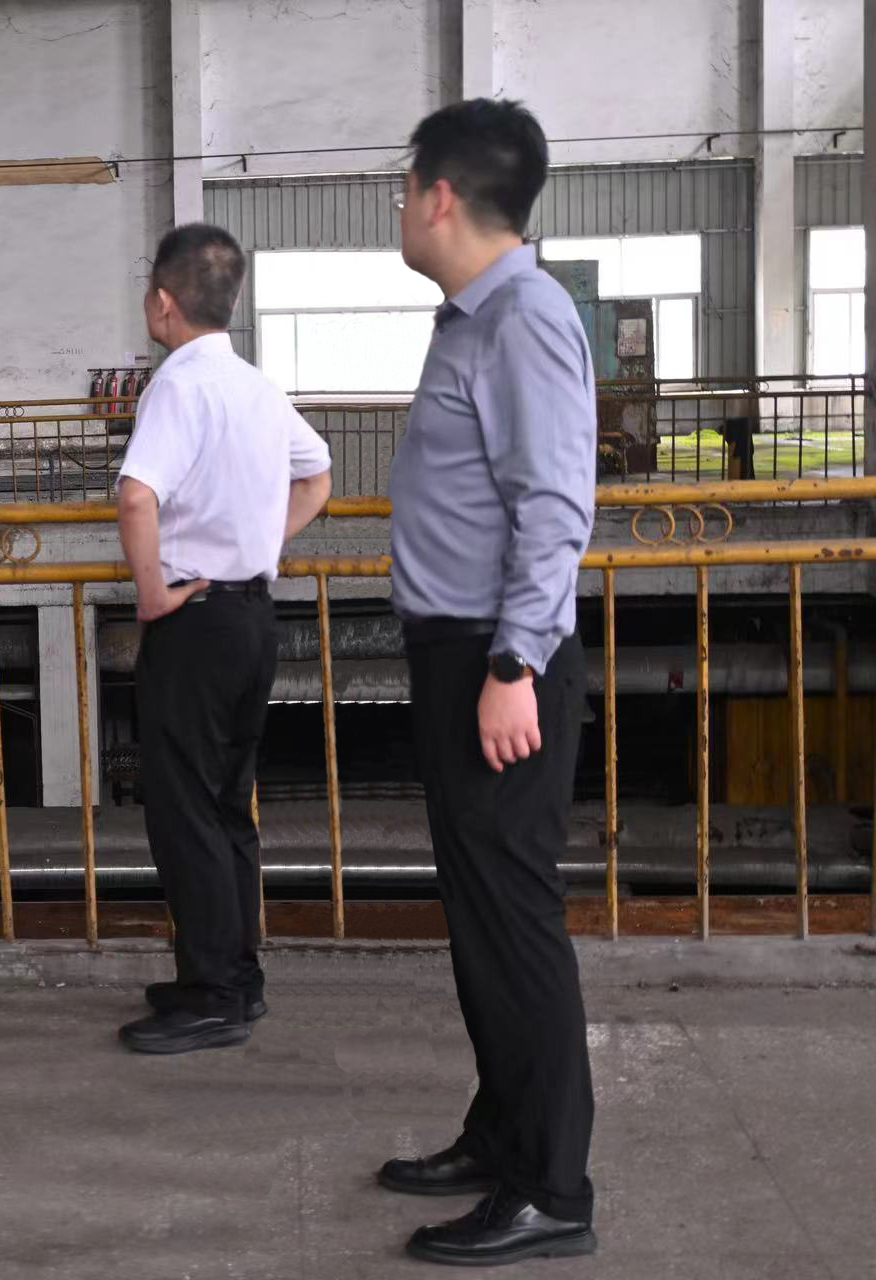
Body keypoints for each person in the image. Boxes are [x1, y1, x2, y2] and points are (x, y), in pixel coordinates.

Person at [380, 99, 599, 1266]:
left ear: (442, 196)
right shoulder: (473, 317)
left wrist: (515, 661)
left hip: (498, 660)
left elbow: (554, 505)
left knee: (514, 920)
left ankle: (552, 1186)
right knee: (479, 916)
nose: (399, 207)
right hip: (461, 650)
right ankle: (502, 1131)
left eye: (405, 187)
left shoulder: (525, 316)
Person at [114, 224, 333, 1056]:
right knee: (229, 808)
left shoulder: (178, 385)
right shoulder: (254, 385)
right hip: (250, 619)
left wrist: (151, 595)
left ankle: (211, 997)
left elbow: (138, 495)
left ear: (163, 302)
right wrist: (259, 542)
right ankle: (235, 977)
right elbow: (318, 475)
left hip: (196, 622)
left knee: (186, 813)